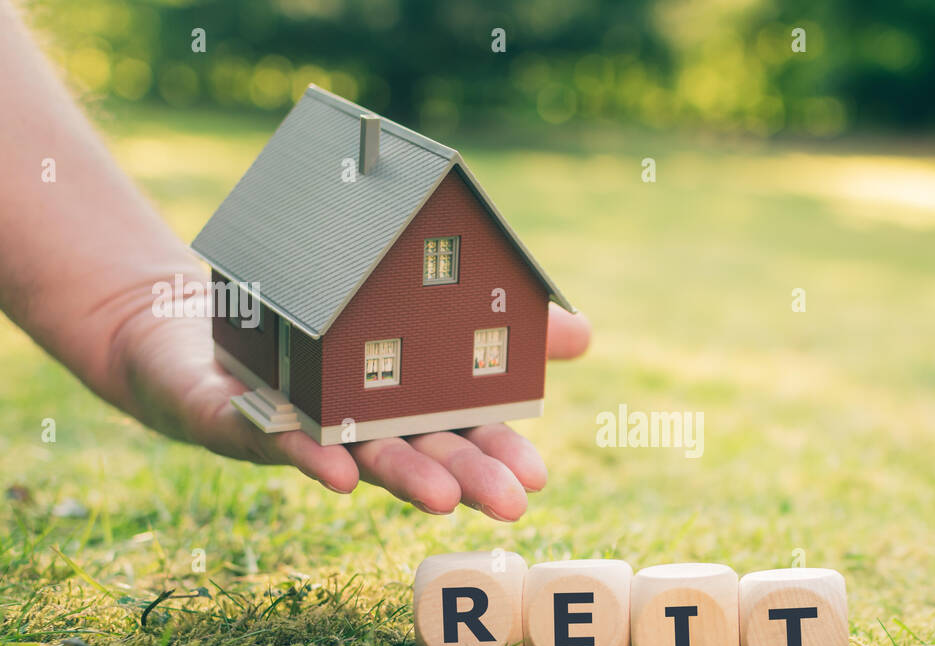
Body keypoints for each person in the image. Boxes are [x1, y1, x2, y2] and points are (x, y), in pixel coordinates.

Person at [0, 1, 591, 522]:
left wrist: (124, 305)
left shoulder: (428, 206)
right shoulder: (326, 212)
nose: (441, 259)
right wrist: (127, 311)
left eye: (441, 255)